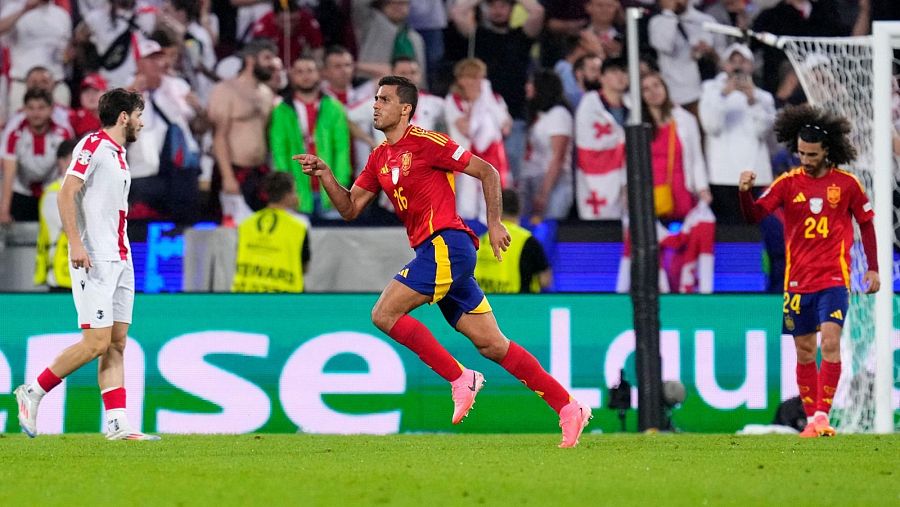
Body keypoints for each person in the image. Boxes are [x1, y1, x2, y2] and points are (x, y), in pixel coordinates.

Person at [293, 75, 592, 447]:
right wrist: (325, 175)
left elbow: (488, 171)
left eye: (384, 99)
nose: (375, 105)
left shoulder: (427, 142)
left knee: (384, 314)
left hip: (447, 245)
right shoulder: (378, 157)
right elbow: (351, 208)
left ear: (405, 109)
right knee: (493, 345)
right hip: (434, 253)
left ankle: (459, 377)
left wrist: (496, 223)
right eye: (375, 99)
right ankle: (568, 407)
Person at [14, 88, 160, 441]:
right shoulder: (91, 146)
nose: (141, 122)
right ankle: (33, 391)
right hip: (94, 258)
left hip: (121, 257)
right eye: (139, 115)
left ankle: (117, 423)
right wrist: (76, 243)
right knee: (95, 342)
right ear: (124, 116)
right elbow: (67, 192)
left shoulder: (119, 154)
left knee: (117, 342)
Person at [738, 104, 880, 438]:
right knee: (804, 350)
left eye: (812, 153)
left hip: (834, 279)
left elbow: (867, 225)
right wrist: (744, 193)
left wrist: (872, 268)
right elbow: (754, 216)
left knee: (830, 342)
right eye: (801, 152)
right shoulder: (787, 184)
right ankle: (813, 417)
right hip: (797, 282)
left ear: (827, 151)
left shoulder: (847, 185)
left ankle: (820, 417)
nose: (805, 158)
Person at [699, 43, 776, 225]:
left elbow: (762, 131)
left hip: (754, 176)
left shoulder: (763, 97)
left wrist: (752, 101)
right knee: (729, 231)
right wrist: (724, 94)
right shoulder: (710, 90)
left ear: (751, 66)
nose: (737, 66)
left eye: (743, 61)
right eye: (732, 61)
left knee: (755, 229)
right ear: (724, 65)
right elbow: (711, 126)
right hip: (722, 175)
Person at [269, 56, 351, 219]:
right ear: (291, 76)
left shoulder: (334, 108)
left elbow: (342, 149)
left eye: (310, 71)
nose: (305, 76)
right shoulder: (281, 111)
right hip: (296, 193)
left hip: (329, 192)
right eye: (299, 72)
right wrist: (286, 190)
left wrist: (339, 187)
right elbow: (279, 152)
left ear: (319, 74)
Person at [208, 39, 277, 223]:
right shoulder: (225, 90)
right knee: (232, 230)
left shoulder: (267, 93)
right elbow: (219, 136)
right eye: (267, 58)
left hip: (259, 171)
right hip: (234, 170)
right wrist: (228, 177)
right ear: (250, 60)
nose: (273, 63)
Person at [1, 88, 74, 223]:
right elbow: (8, 171)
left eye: (41, 108)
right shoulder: (14, 131)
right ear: (24, 109)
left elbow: (67, 167)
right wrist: (4, 211)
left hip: (52, 190)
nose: (36, 113)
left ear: (51, 109)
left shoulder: (62, 131)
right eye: (31, 108)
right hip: (21, 190)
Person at [232, 172, 311, 293]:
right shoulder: (299, 226)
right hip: (285, 296)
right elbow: (304, 267)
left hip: (246, 293)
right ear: (287, 195)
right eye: (294, 191)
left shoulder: (245, 224)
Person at [519, 69, 574, 223]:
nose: (527, 87)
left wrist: (544, 193)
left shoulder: (559, 114)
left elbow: (558, 157)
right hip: (535, 181)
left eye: (531, 83)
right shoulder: (539, 114)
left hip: (554, 185)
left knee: (549, 227)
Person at [475, 189, 552, 293]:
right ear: (519, 209)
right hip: (517, 304)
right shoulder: (528, 241)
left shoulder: (481, 239)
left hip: (483, 303)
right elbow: (545, 280)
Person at [34, 139, 78, 292]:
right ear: (61, 162)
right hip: (61, 275)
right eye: (73, 160)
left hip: (82, 274)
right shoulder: (54, 193)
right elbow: (69, 225)